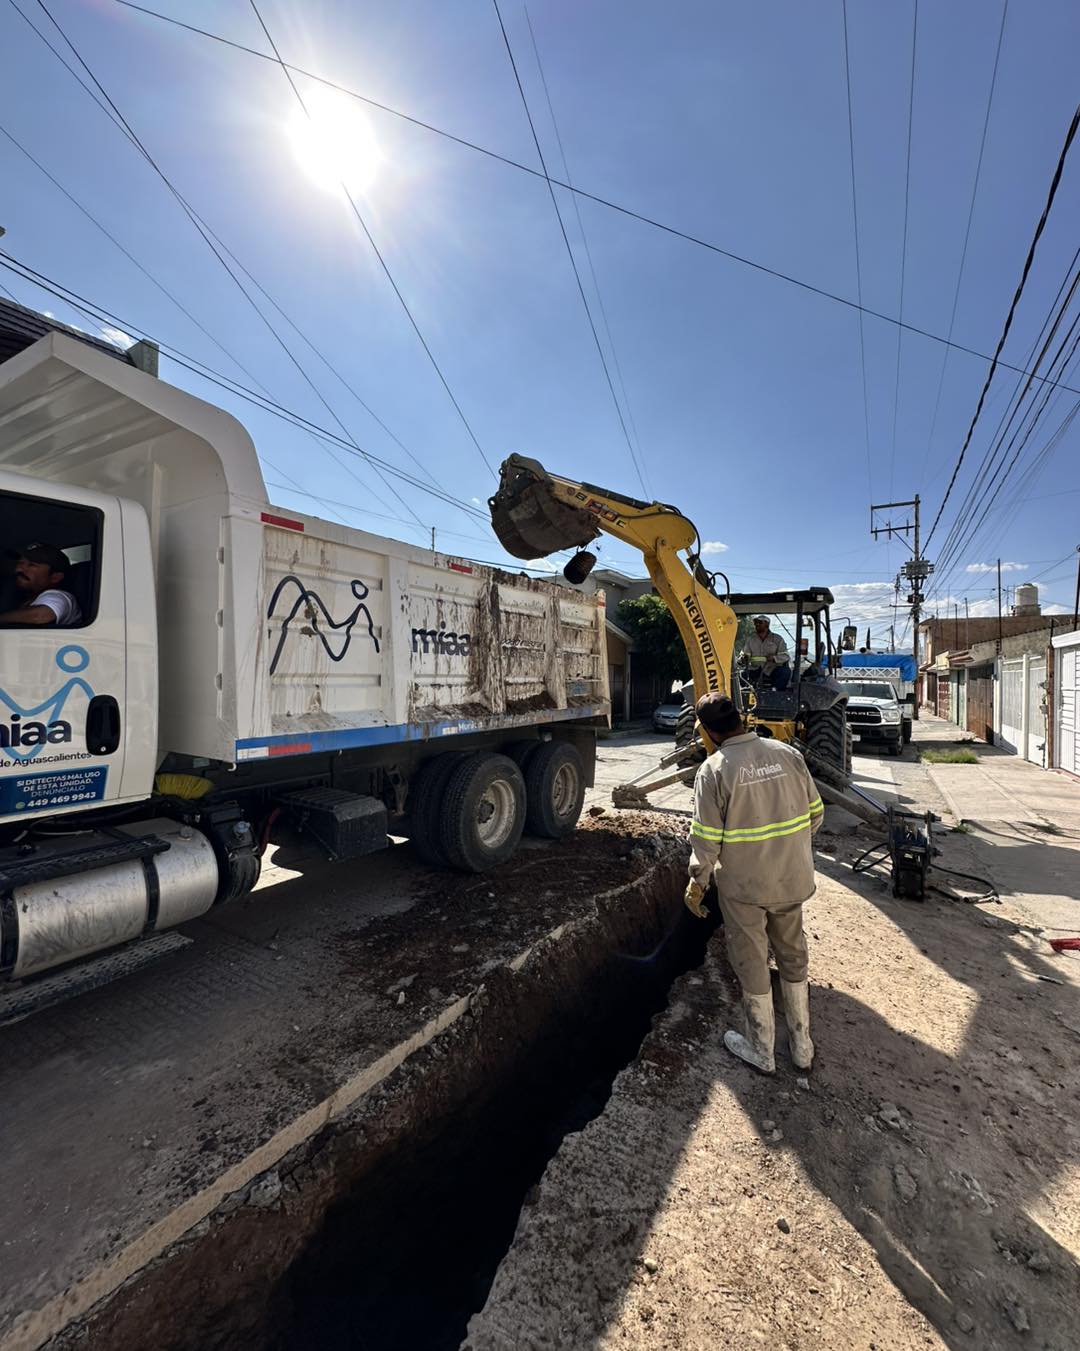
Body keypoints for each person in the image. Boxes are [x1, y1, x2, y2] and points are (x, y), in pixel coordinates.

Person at [683, 693, 823, 1073]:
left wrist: (698, 882)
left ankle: (761, 1049)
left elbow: (706, 839)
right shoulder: (788, 755)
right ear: (740, 719)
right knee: (793, 952)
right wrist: (788, 850)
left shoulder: (713, 771)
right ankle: (802, 1047)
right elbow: (816, 814)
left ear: (707, 730)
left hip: (745, 887)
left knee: (751, 959)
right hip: (791, 878)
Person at [0, 543, 82, 627]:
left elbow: (39, 616)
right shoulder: (25, 597)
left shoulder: (59, 596)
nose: (18, 569)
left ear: (55, 577)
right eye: (20, 563)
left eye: (31, 565)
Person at [742, 615, 791, 690]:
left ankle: (775, 692)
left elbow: (785, 656)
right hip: (754, 669)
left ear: (767, 624)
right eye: (755, 622)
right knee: (741, 675)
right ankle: (742, 693)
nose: (757, 624)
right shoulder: (751, 639)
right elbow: (745, 654)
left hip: (771, 669)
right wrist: (744, 658)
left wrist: (774, 658)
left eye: (760, 622)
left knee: (785, 672)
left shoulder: (777, 639)